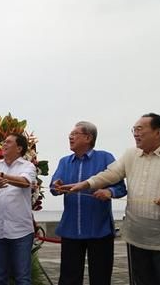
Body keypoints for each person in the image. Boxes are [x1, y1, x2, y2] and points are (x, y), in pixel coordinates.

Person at [60, 113, 160, 285]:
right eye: (134, 129)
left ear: (158, 132)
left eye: (140, 129)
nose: (135, 133)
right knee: (140, 280)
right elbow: (111, 174)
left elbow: (118, 187)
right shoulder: (130, 154)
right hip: (136, 236)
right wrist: (87, 184)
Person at [50, 121, 127, 285]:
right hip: (71, 229)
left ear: (88, 137)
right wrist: (56, 186)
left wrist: (109, 192)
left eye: (74, 134)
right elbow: (53, 188)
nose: (70, 137)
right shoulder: (64, 161)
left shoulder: (105, 157)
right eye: (70, 134)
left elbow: (121, 187)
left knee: (100, 278)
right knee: (68, 279)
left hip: (99, 229)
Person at [0, 134, 37, 285]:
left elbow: (25, 183)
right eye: (3, 142)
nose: (3, 144)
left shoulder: (28, 166)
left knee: (23, 278)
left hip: (21, 231)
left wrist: (2, 176)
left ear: (19, 148)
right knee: (0, 277)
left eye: (8, 142)